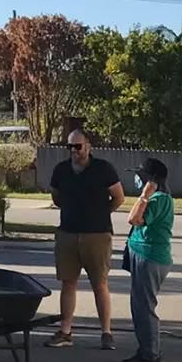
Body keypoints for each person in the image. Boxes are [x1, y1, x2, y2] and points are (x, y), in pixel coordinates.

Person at [46, 127, 124, 349]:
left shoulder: (103, 169)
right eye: (70, 146)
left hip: (97, 235)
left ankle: (106, 333)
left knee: (100, 284)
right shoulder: (61, 170)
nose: (74, 151)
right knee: (68, 282)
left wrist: (100, 213)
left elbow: (118, 197)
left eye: (78, 146)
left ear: (88, 147)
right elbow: (56, 196)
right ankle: (65, 331)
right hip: (68, 233)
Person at [124, 158, 174, 362]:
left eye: (140, 175)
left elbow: (134, 219)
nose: (137, 178)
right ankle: (144, 349)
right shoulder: (157, 198)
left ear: (151, 179)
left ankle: (150, 355)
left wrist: (145, 195)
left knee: (144, 308)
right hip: (143, 254)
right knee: (139, 307)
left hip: (150, 257)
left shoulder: (158, 199)